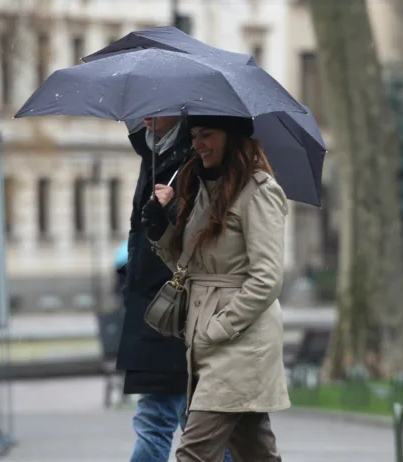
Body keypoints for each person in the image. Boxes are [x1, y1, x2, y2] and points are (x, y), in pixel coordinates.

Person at [142, 115, 290, 461]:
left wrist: (218, 329)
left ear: (232, 138)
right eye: (194, 136)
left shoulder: (260, 192)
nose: (197, 144)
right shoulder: (202, 191)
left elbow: (267, 278)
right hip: (206, 339)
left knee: (194, 452)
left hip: (238, 342)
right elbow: (190, 268)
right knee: (256, 453)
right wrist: (161, 231)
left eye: (207, 135)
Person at [117, 116, 233, 462]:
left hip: (177, 309)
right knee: (188, 422)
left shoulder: (196, 161)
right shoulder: (154, 157)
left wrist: (168, 213)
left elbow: (206, 240)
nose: (145, 118)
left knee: (167, 420)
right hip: (152, 309)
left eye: (156, 108)